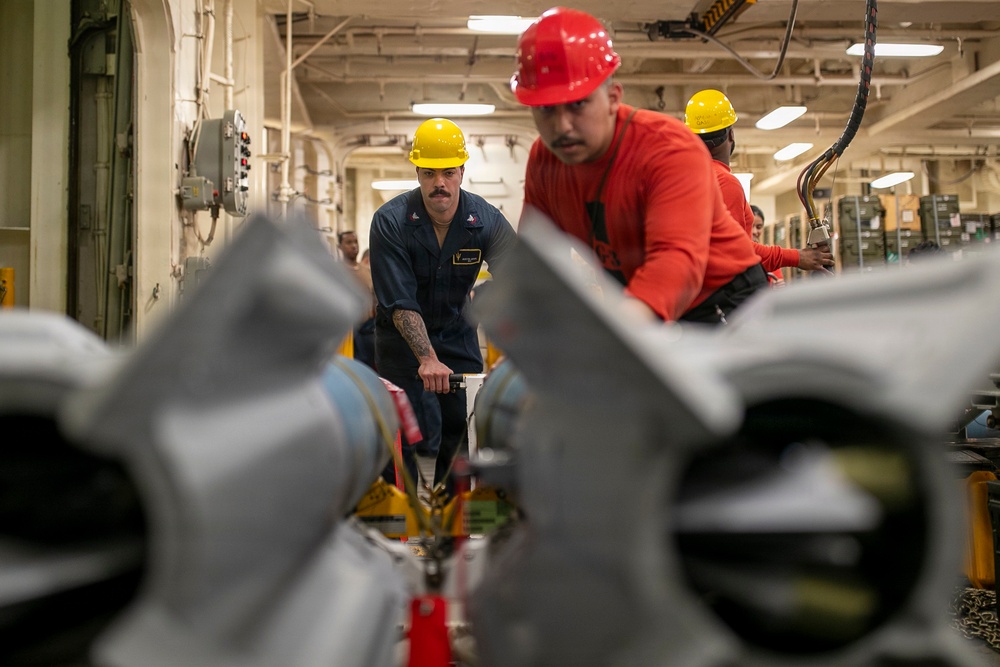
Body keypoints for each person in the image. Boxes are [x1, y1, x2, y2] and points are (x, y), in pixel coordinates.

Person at [512, 7, 766, 325]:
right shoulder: (545, 160)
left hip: (720, 300)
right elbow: (536, 261)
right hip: (640, 299)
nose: (562, 126)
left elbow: (676, 262)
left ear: (614, 97)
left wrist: (616, 338)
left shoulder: (668, 148)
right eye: (547, 109)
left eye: (578, 104)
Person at [369, 118, 517, 495]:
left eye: (448, 172)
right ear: (417, 172)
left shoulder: (486, 221)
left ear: (462, 172)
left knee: (466, 433)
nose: (440, 183)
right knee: (399, 435)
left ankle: (457, 530)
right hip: (400, 341)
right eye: (430, 173)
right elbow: (400, 302)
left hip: (456, 333)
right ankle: (399, 530)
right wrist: (426, 358)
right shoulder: (390, 222)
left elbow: (520, 285)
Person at [684, 89, 834, 278]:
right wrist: (797, 257)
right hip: (723, 298)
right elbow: (737, 253)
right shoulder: (724, 182)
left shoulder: (686, 179)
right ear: (731, 134)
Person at [336, 230, 376, 369]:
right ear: (340, 247)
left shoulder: (367, 271)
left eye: (355, 242)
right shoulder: (336, 271)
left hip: (367, 330)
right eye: (348, 242)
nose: (354, 246)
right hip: (346, 332)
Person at [750, 205, 786, 287]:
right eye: (750, 226)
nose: (755, 231)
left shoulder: (769, 256)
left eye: (759, 227)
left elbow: (778, 279)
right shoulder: (735, 255)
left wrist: (778, 285)